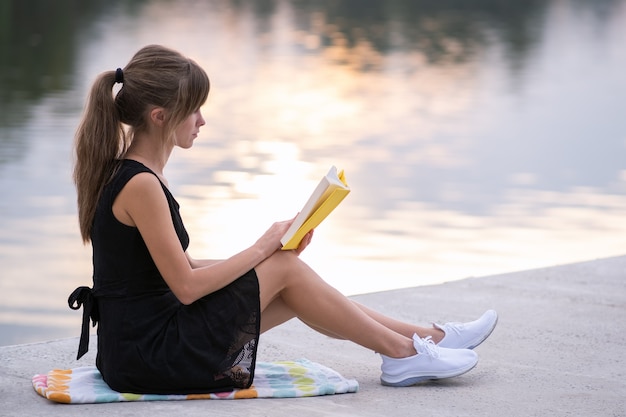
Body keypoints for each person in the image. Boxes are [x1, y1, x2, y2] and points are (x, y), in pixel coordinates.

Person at [68, 44, 498, 394]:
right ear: (159, 117)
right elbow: (184, 286)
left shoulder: (137, 175)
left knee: (288, 280)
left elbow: (174, 269)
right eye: (194, 109)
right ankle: (404, 354)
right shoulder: (140, 184)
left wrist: (266, 253)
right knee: (285, 268)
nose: (202, 120)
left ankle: (426, 340)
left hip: (142, 345)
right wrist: (262, 248)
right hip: (151, 355)